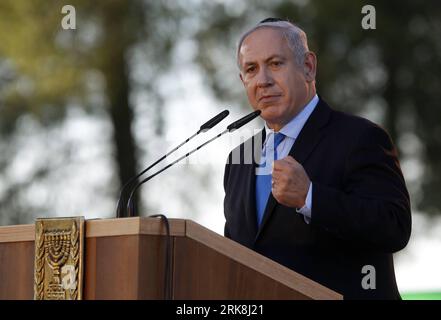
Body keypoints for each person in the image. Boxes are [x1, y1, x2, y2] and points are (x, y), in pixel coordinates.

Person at [223, 18, 412, 299]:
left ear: (308, 67)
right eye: (251, 69)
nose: (263, 80)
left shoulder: (359, 137)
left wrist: (310, 198)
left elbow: (394, 226)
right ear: (243, 81)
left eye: (275, 63)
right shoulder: (239, 157)